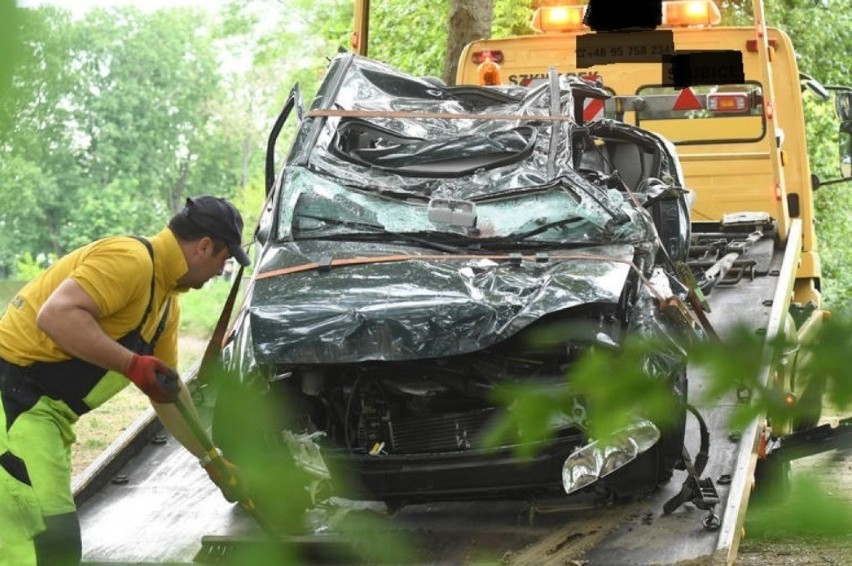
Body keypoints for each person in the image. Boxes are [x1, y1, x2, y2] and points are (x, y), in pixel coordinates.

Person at [0, 195, 251, 566]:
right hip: (14, 404)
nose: (220, 272)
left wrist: (211, 459)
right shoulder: (129, 260)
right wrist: (131, 363)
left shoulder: (166, 301)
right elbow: (56, 315)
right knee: (47, 545)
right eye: (223, 260)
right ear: (204, 246)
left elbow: (166, 391)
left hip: (45, 416)